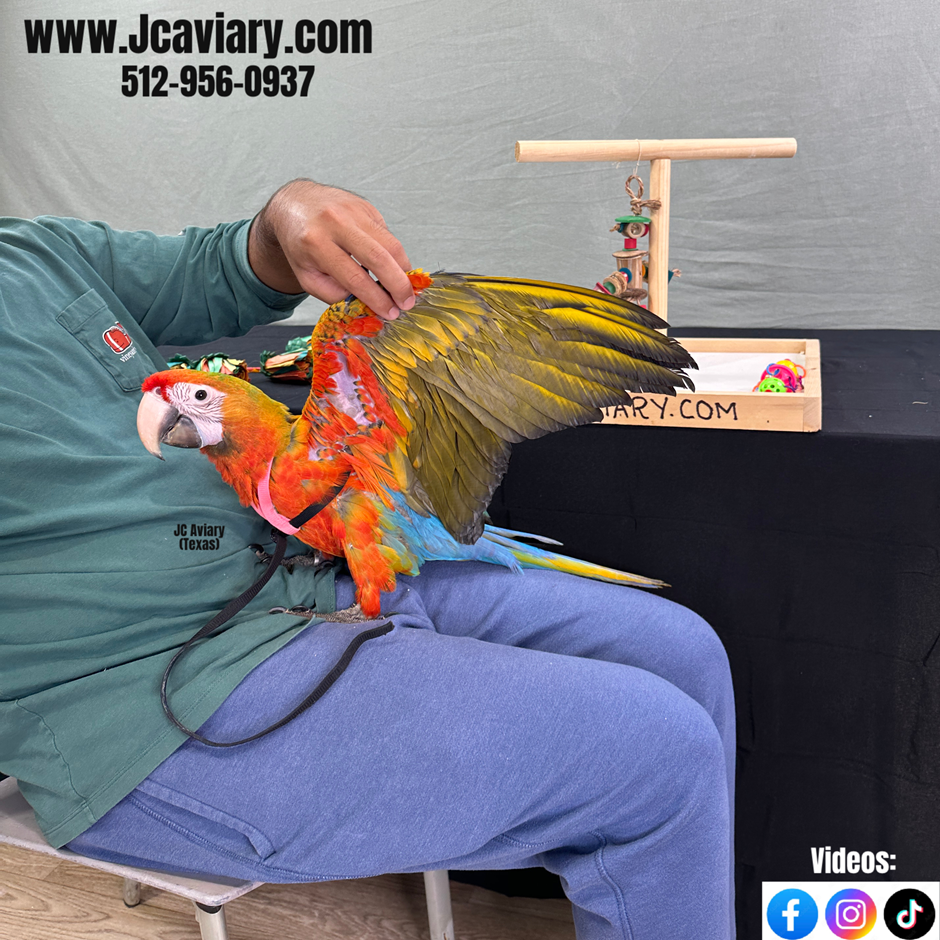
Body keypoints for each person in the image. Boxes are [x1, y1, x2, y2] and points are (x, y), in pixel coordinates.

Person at [0, 179, 736, 939]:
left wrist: (283, 218)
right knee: (662, 756)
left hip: (314, 577)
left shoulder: (31, 252)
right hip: (149, 688)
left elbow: (219, 268)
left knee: (684, 652)